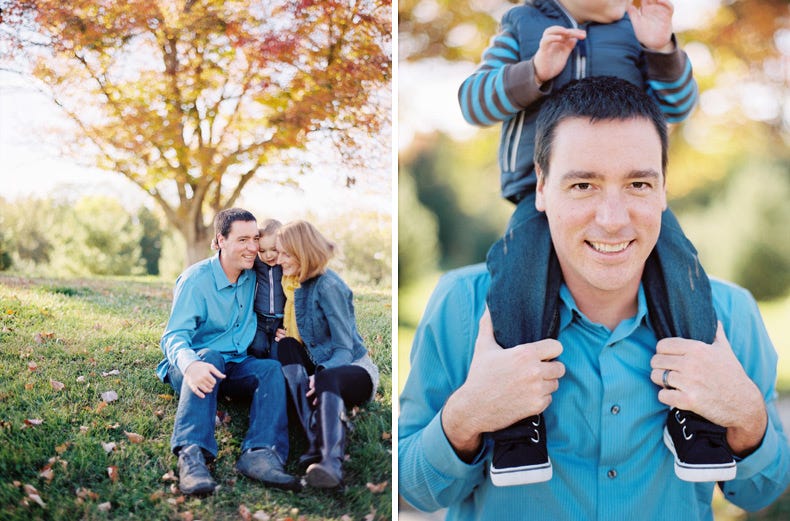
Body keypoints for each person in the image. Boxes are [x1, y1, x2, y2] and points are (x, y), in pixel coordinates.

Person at [399, 77, 790, 519]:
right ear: (542, 188)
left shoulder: (731, 314)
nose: (612, 219)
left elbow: (761, 492)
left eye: (638, 185)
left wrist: (748, 419)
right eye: (583, 185)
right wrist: (465, 418)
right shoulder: (462, 306)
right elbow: (415, 490)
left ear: (663, 189)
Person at [457, 0, 721, 485]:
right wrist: (534, 70)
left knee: (681, 265)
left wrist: (661, 47)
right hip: (541, 195)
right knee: (519, 269)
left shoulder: (635, 28)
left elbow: (680, 105)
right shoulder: (523, 23)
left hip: (632, 189)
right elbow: (472, 102)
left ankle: (696, 409)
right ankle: (519, 422)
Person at [157, 208, 300, 495]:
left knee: (270, 369)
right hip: (194, 366)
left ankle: (260, 453)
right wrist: (190, 365)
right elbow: (173, 336)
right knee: (209, 356)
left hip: (236, 364)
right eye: (242, 240)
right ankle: (192, 457)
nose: (252, 247)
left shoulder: (253, 276)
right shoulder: (196, 280)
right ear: (220, 241)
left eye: (254, 239)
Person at [272, 220, 379, 488]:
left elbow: (344, 348)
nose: (279, 260)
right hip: (318, 364)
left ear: (302, 252)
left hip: (353, 369)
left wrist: (320, 373)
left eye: (286, 254)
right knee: (285, 346)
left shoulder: (329, 286)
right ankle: (313, 440)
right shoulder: (296, 283)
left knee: (326, 379)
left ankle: (331, 462)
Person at [249, 218, 285, 360]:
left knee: (277, 354)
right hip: (259, 319)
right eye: (262, 251)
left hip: (281, 320)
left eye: (274, 249)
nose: (268, 255)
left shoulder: (286, 263)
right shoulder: (256, 262)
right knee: (257, 348)